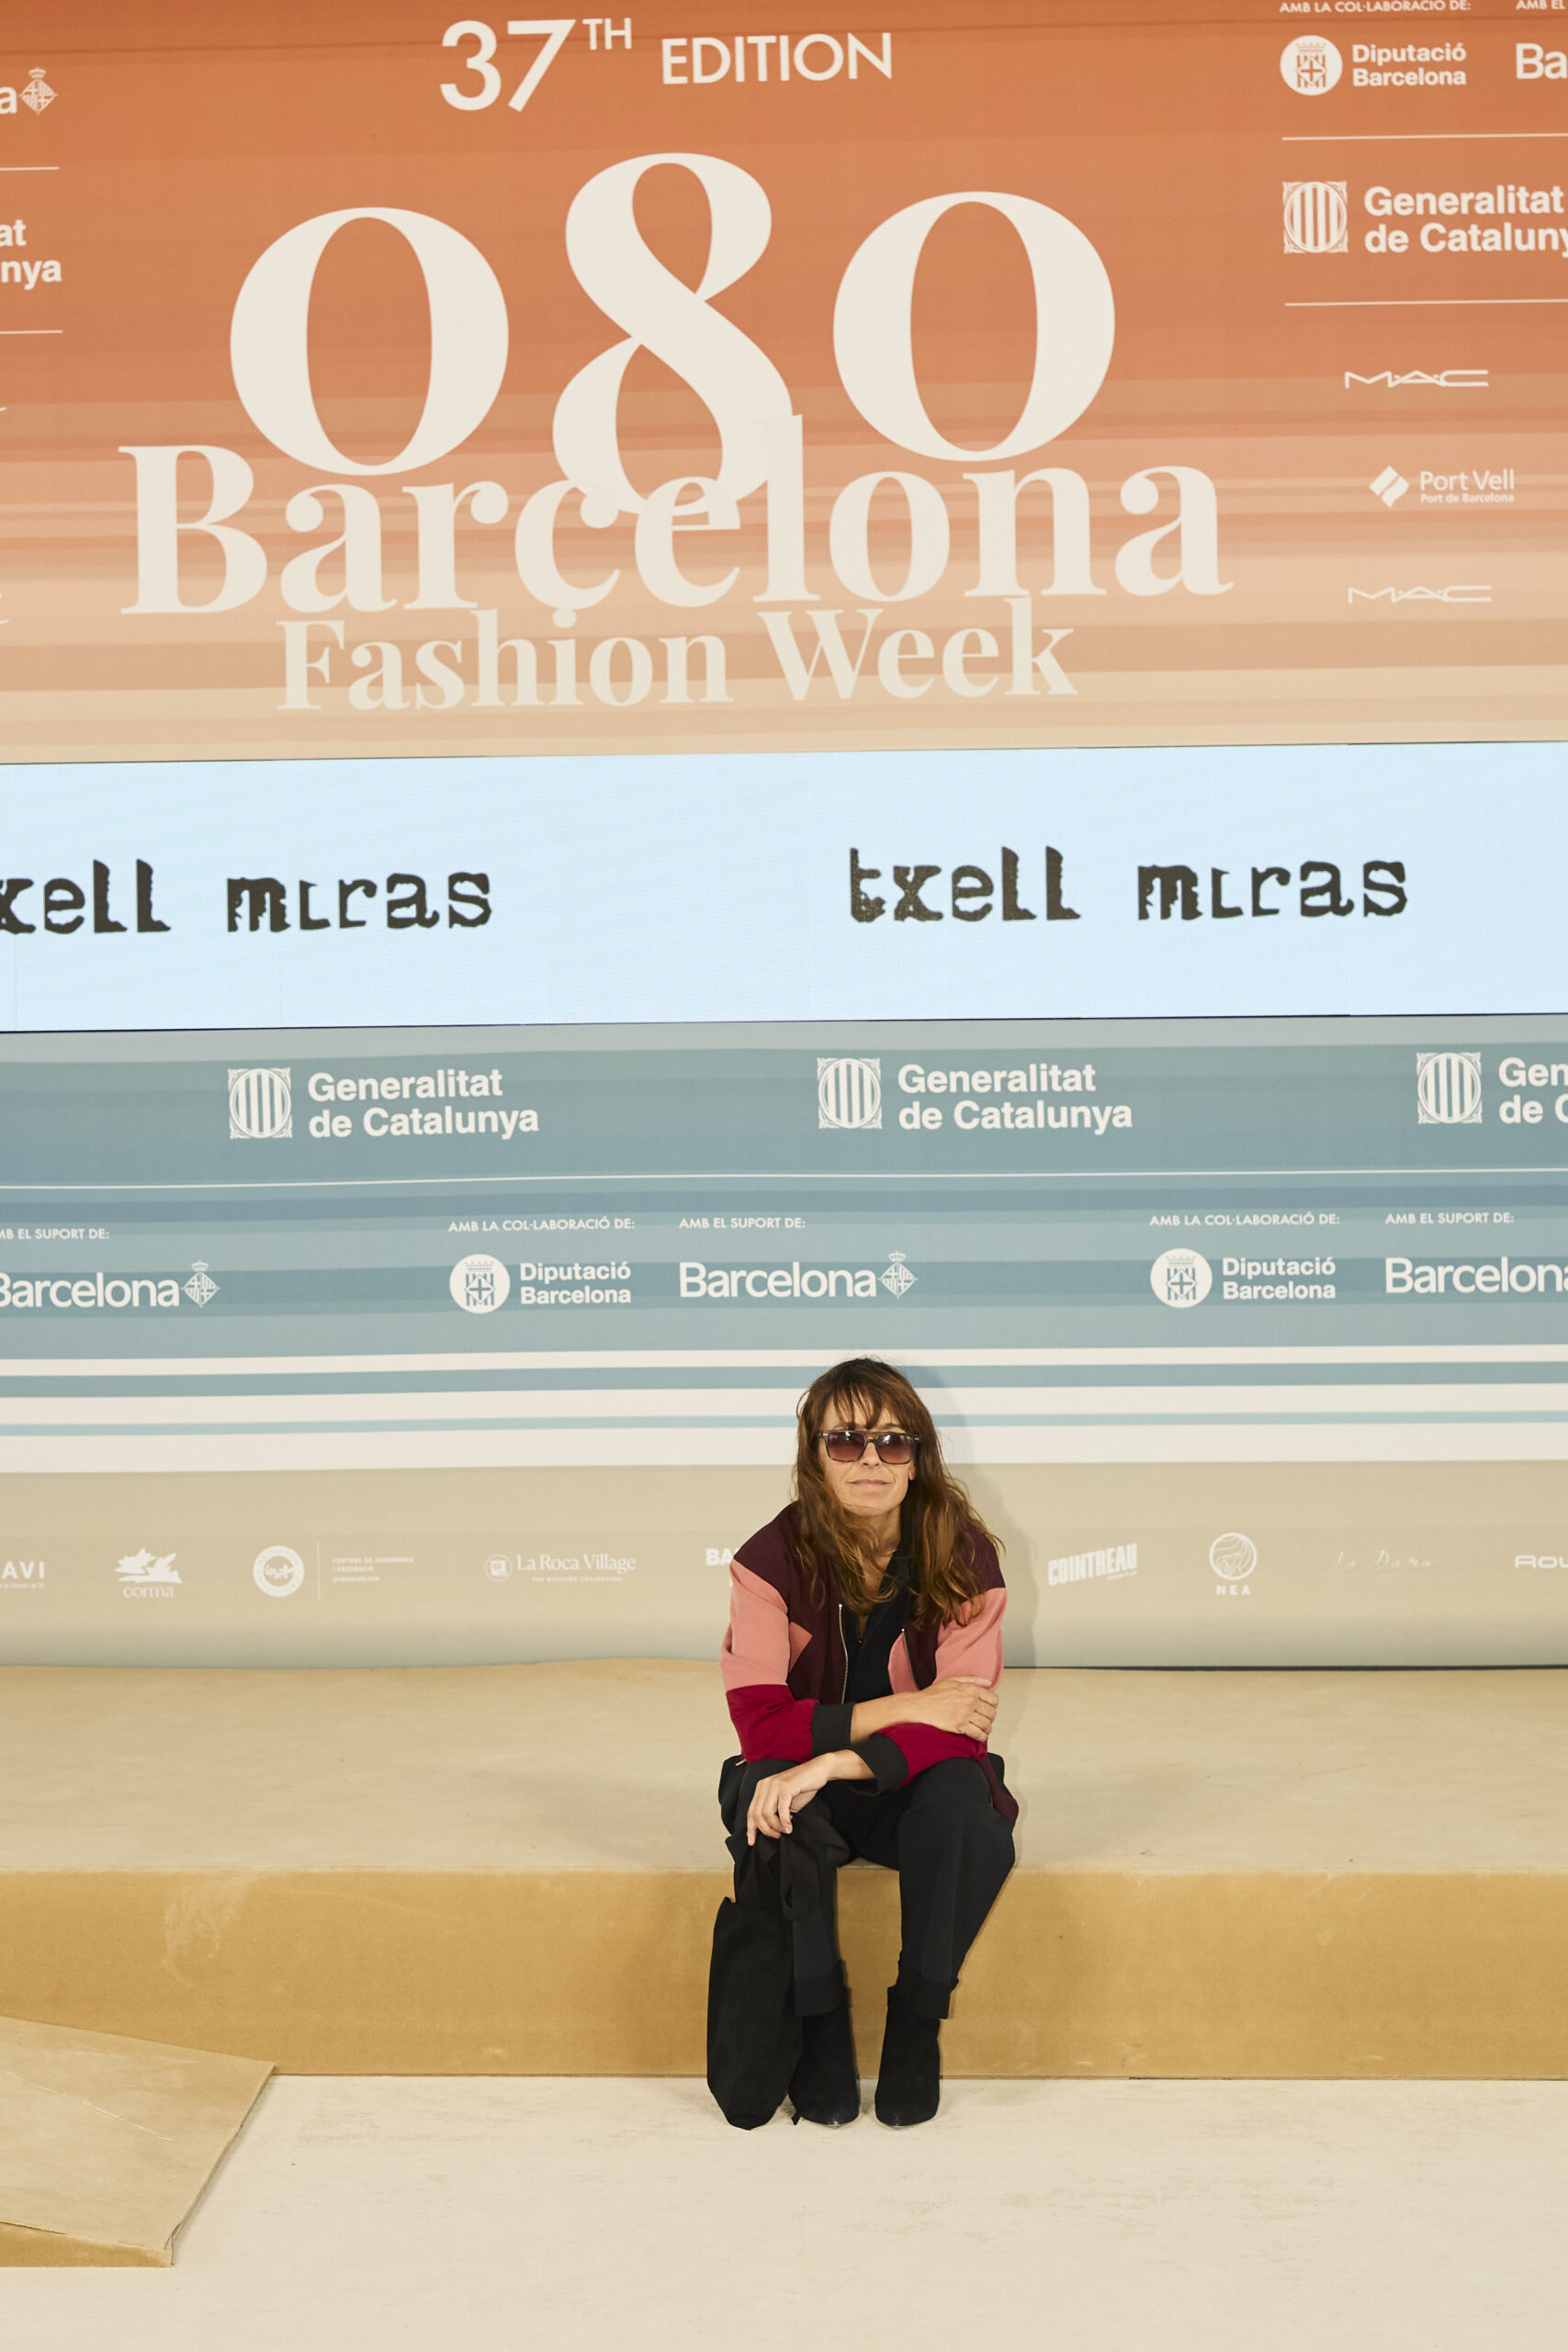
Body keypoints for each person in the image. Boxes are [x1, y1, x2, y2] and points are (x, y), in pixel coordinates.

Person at [717, 1355, 1017, 2128]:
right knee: (774, 1804)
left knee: (959, 1800)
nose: (870, 1460)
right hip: (799, 1774)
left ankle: (917, 2021)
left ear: (918, 1457)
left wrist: (828, 1759)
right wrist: (910, 1707)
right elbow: (761, 1724)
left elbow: (962, 1729)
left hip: (893, 1782)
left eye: (892, 1441)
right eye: (845, 1441)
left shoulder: (964, 1554)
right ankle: (819, 2028)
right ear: (814, 1456)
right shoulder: (766, 1562)